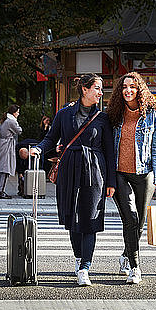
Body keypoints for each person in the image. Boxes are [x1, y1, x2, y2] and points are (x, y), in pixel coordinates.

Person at [30, 73, 116, 286]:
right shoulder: (64, 114)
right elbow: (51, 137)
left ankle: (85, 267)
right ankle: (79, 258)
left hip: (95, 171)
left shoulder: (103, 119)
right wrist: (39, 150)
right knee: (72, 220)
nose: (100, 92)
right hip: (69, 169)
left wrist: (111, 182)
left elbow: (109, 151)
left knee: (91, 220)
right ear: (84, 89)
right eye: (96, 88)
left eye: (101, 88)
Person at [106, 72, 156, 285]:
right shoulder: (114, 114)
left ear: (140, 89)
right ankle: (135, 266)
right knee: (130, 219)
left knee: (138, 223)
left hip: (144, 175)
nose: (128, 90)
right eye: (124, 87)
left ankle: (126, 253)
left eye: (132, 86)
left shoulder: (154, 115)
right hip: (120, 174)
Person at [0, 104, 22, 199]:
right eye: (17, 112)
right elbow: (19, 130)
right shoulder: (11, 121)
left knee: (3, 168)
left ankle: (1, 190)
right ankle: (1, 191)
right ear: (13, 112)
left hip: (3, 145)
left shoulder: (6, 120)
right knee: (6, 168)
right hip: (6, 146)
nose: (18, 114)